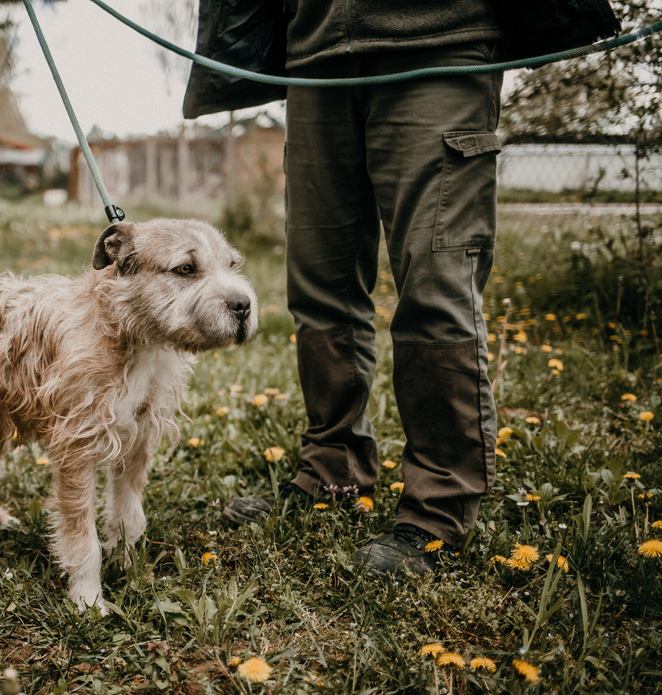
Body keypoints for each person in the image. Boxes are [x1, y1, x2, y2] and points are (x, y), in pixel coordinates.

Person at [184, 2, 505, 576]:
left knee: (436, 288)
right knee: (320, 286)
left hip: (436, 40)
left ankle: (438, 511)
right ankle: (333, 471)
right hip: (314, 58)